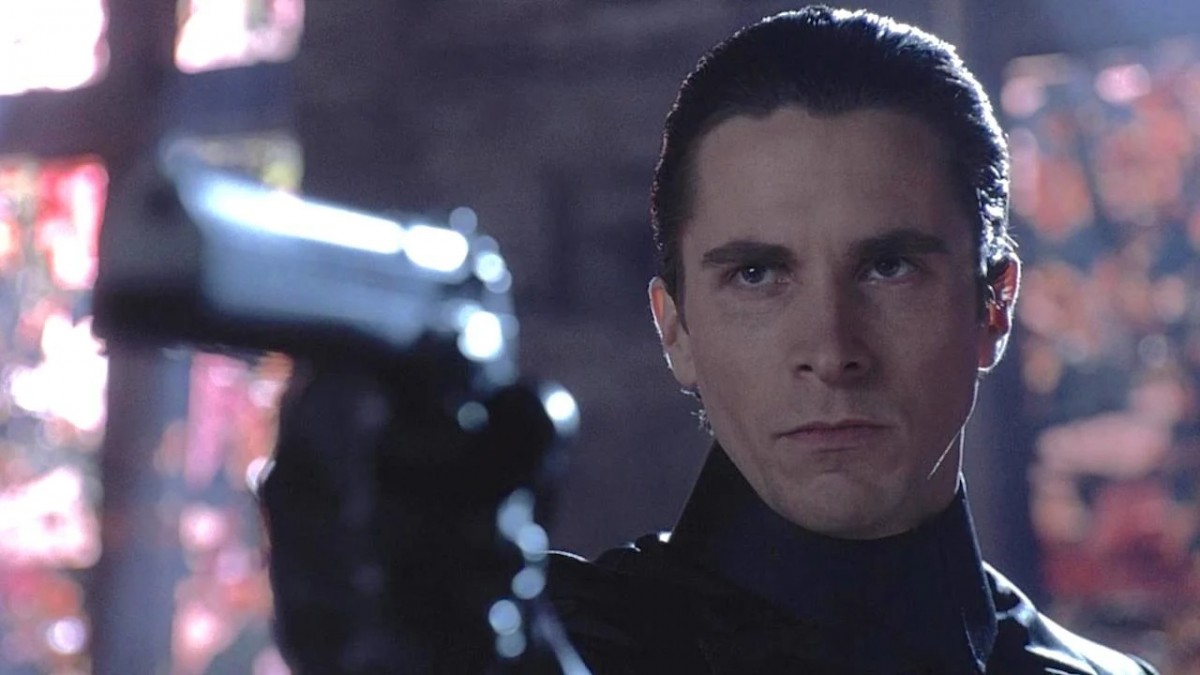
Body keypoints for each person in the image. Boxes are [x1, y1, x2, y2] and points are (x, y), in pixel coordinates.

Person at [547, 6, 1159, 674]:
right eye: (756, 274)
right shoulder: (530, 652)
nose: (832, 351)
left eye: (889, 267)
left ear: (994, 305)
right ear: (675, 328)